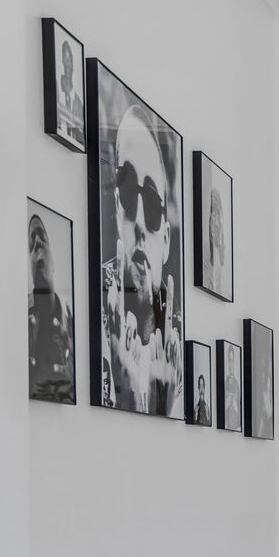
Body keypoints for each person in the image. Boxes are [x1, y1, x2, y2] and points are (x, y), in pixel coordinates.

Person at [106, 98, 182, 413]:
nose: (137, 220)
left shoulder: (176, 361)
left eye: (151, 202)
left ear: (165, 240)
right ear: (114, 203)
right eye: (126, 191)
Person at [27, 209, 73, 400]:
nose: (36, 244)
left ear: (53, 262)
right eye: (31, 244)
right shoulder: (18, 319)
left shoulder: (72, 321)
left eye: (42, 238)